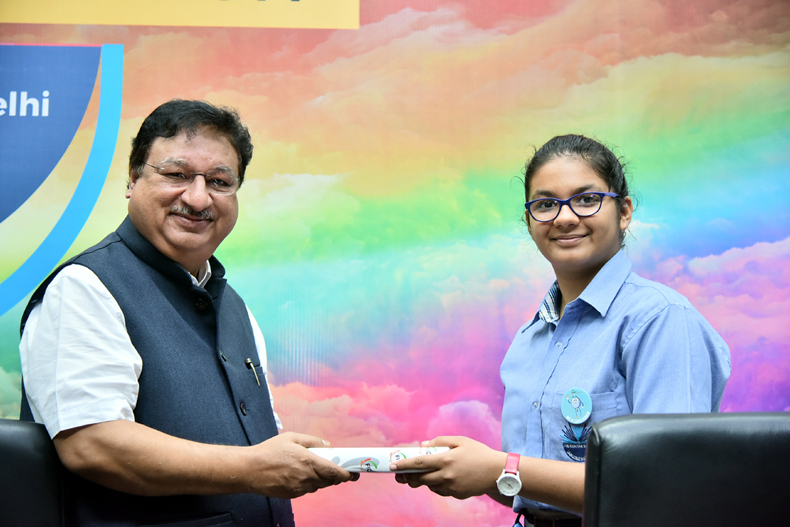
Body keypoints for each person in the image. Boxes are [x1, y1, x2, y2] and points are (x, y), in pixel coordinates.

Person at [18, 99, 357, 527]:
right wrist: (255, 468)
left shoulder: (235, 307)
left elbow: (255, 440)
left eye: (219, 181)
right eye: (176, 175)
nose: (198, 198)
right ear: (132, 179)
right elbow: (92, 445)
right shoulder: (85, 287)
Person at [392, 134, 731, 526]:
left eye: (586, 199)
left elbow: (665, 485)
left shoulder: (660, 320)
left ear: (624, 212)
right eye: (545, 204)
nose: (565, 217)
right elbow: (535, 489)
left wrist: (499, 468)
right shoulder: (530, 338)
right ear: (529, 221)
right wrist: (470, 471)